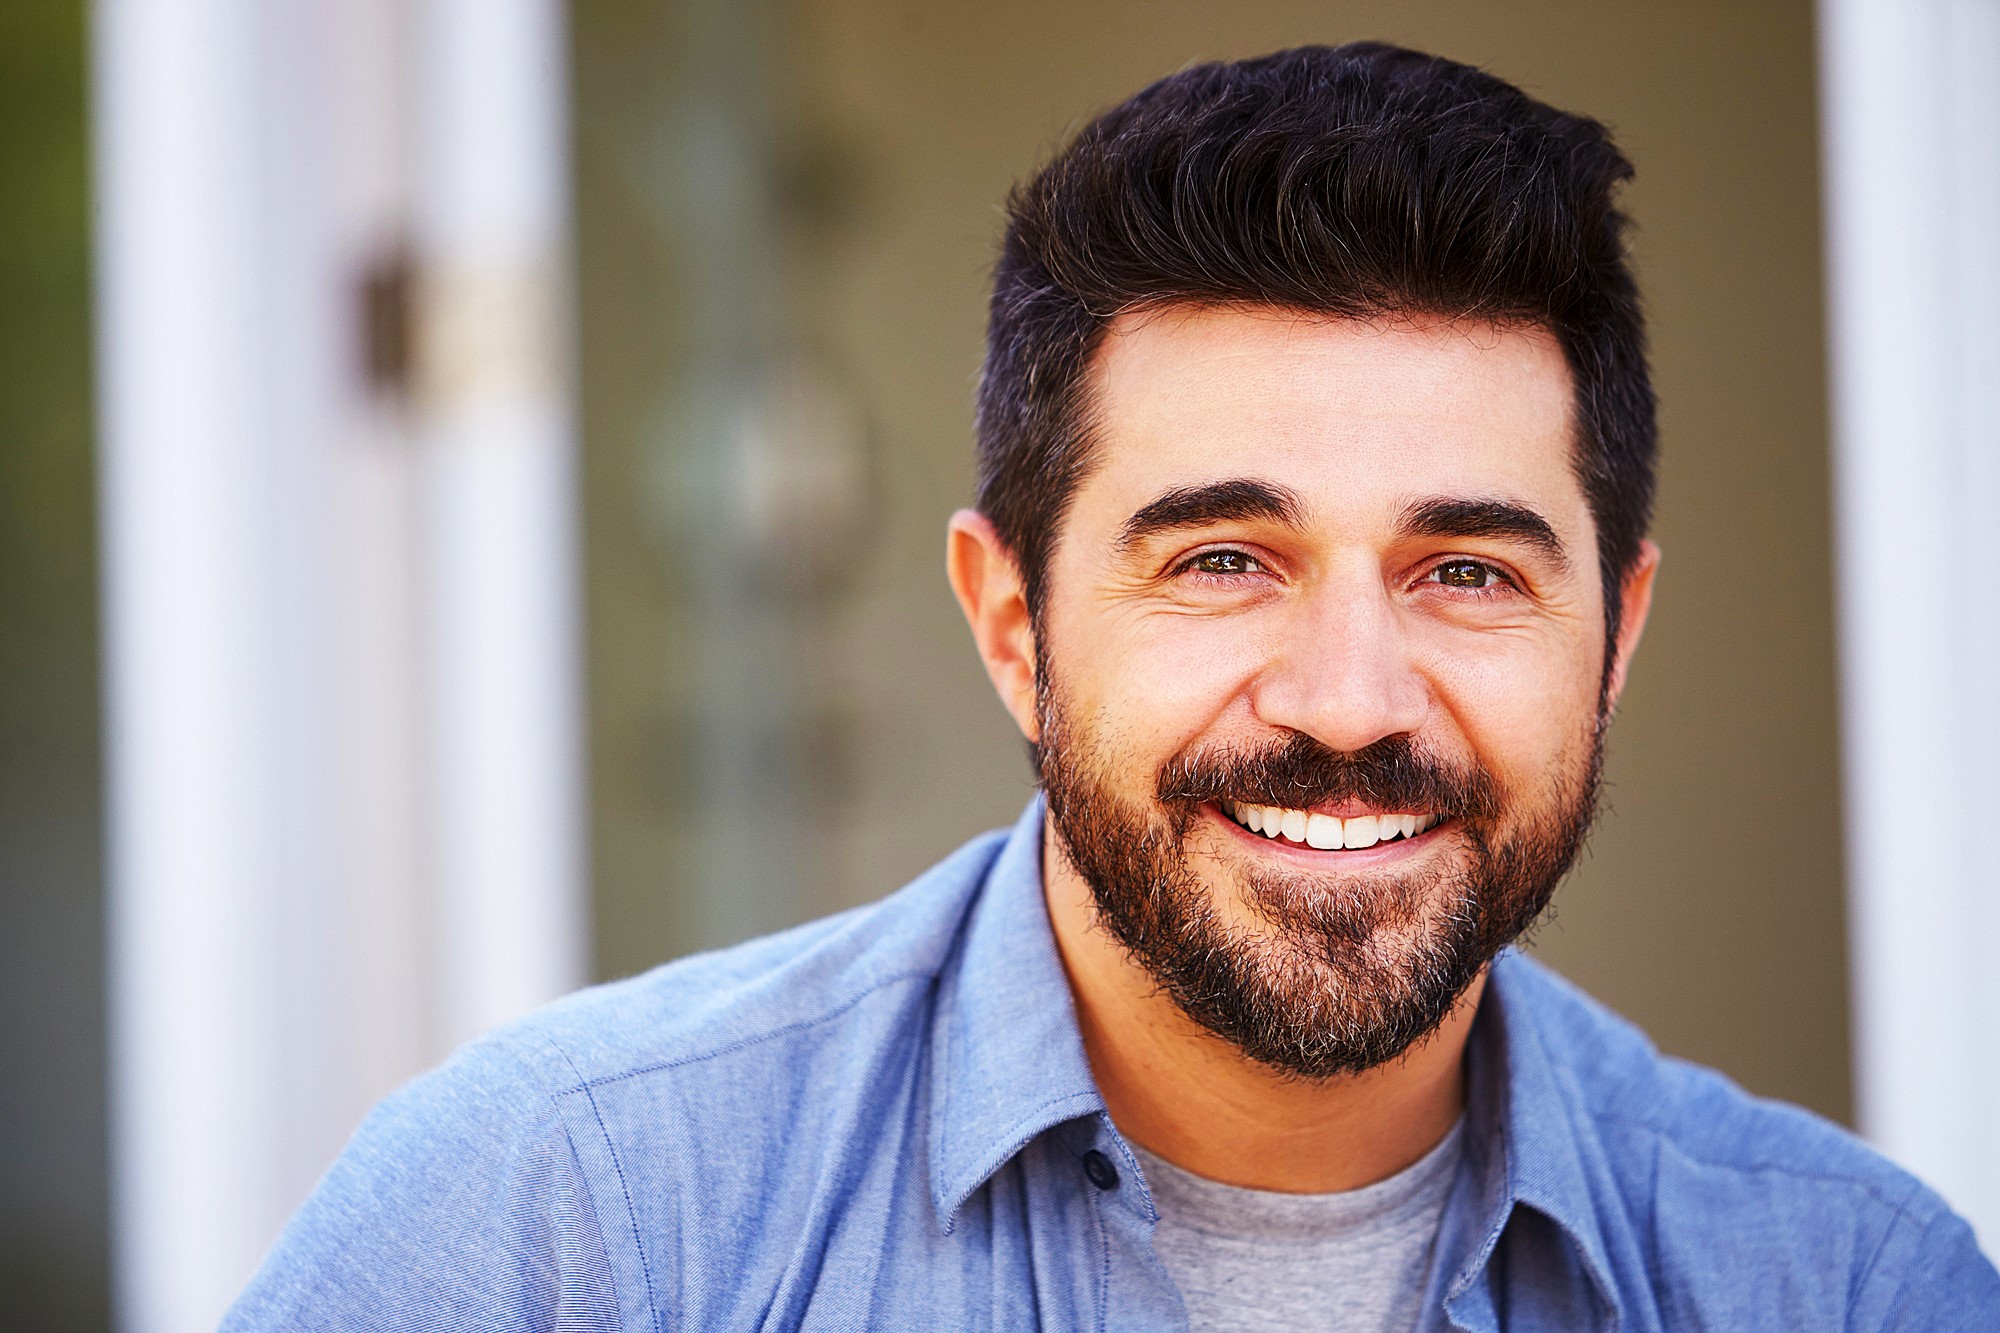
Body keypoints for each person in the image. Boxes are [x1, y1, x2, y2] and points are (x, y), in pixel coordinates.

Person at [224, 42, 2000, 1331]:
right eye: (1225, 557)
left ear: (1614, 636)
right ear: (1012, 622)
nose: (1346, 697)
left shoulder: (1848, 1284)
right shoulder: (575, 1221)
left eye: (1465, 571)